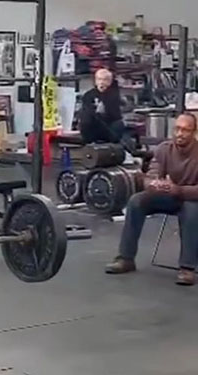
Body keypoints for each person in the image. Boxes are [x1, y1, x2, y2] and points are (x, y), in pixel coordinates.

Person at [105, 113, 198, 286]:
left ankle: (187, 268)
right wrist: (154, 184)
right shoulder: (164, 149)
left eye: (185, 130)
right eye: (177, 129)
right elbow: (152, 173)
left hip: (192, 199)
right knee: (136, 201)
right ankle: (126, 258)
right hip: (169, 196)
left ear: (194, 133)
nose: (180, 133)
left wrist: (179, 190)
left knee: (191, 210)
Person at [79, 68, 125, 144]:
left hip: (109, 126)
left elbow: (115, 115)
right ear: (95, 81)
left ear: (109, 82)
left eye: (105, 80)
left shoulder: (114, 95)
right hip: (93, 126)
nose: (102, 82)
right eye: (99, 79)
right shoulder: (88, 95)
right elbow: (86, 113)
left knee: (118, 125)